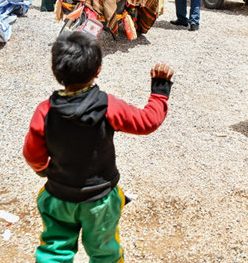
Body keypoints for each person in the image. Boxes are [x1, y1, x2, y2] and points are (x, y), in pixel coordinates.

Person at [23, 32, 174, 262]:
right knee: (105, 252)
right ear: (98, 70)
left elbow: (32, 154)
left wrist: (43, 169)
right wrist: (160, 92)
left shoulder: (45, 111)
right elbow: (147, 122)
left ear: (56, 72)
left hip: (58, 196)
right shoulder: (108, 106)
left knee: (54, 251)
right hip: (101, 200)